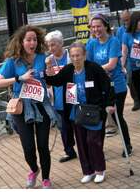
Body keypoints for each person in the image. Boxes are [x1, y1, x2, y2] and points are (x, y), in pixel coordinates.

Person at [0, 25, 60, 189]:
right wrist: (19, 78)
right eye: (28, 40)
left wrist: (50, 68)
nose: (32, 43)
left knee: (43, 145)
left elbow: (51, 78)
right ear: (21, 42)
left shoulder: (42, 58)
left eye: (35, 40)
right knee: (28, 148)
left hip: (42, 105)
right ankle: (34, 169)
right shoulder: (12, 61)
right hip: (22, 108)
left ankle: (46, 178)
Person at [45, 42, 115, 184]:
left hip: (94, 110)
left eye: (78, 55)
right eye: (73, 56)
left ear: (84, 55)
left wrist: (109, 104)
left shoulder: (93, 68)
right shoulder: (68, 69)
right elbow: (55, 81)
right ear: (70, 57)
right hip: (76, 111)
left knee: (93, 141)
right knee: (81, 143)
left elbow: (107, 85)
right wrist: (48, 68)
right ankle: (88, 171)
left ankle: (100, 170)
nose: (75, 58)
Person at [86, 13, 133, 157]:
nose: (96, 30)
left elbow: (112, 65)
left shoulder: (114, 41)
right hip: (99, 87)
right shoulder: (92, 43)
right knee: (99, 118)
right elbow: (88, 64)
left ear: (105, 26)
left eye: (98, 26)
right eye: (93, 27)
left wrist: (96, 71)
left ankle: (127, 145)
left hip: (116, 85)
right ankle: (98, 148)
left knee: (118, 115)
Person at [45, 30, 77, 163]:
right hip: (58, 98)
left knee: (78, 124)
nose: (51, 48)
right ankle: (69, 151)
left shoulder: (71, 55)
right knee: (64, 127)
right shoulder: (48, 61)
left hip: (73, 95)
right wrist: (49, 70)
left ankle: (87, 147)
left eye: (54, 44)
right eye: (49, 45)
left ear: (61, 43)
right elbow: (47, 84)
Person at [116, 10, 140, 111]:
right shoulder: (120, 31)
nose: (126, 22)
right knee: (130, 81)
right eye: (124, 20)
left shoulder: (138, 28)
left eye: (128, 19)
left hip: (139, 58)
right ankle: (136, 100)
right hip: (127, 60)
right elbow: (118, 45)